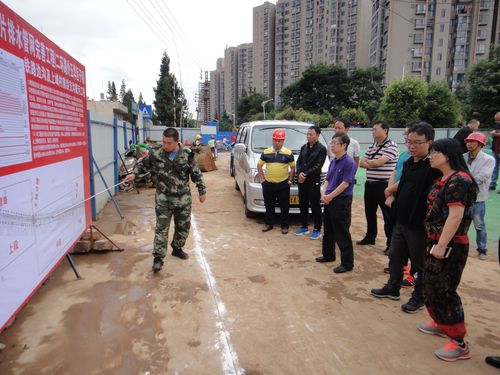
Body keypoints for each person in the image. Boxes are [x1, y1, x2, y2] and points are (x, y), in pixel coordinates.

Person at [371, 122, 441, 313]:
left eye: (416, 142)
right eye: (409, 142)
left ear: (429, 142)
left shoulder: (434, 167)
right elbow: (402, 185)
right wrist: (392, 194)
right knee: (395, 255)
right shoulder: (410, 162)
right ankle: (393, 287)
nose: (411, 146)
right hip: (401, 220)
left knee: (419, 264)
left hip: (418, 225)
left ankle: (419, 297)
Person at [418, 138, 477, 362]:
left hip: (450, 245)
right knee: (430, 286)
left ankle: (459, 342)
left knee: (445, 290)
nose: (431, 156)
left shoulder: (459, 180)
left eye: (436, 152)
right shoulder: (442, 179)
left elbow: (456, 216)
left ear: (448, 155)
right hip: (434, 241)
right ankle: (442, 323)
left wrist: (441, 245)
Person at [124, 127, 206, 272]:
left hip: (183, 199)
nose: (165, 145)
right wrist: (134, 174)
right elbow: (143, 164)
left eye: (168, 143)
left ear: (177, 142)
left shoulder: (187, 154)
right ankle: (158, 258)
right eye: (163, 142)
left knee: (183, 227)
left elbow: (196, 173)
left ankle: (177, 248)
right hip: (163, 198)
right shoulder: (156, 153)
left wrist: (201, 190)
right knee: (161, 228)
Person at [316, 133, 356, 273]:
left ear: (344, 145)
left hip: (341, 200)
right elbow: (327, 180)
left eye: (334, 143)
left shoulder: (349, 163)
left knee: (342, 232)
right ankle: (328, 255)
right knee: (328, 229)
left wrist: (330, 196)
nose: (331, 145)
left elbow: (345, 184)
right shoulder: (333, 160)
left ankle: (347, 263)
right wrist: (323, 193)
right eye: (331, 143)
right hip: (329, 199)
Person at [358, 121, 399, 252]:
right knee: (369, 212)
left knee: (388, 215)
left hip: (384, 185)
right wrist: (372, 163)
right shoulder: (372, 146)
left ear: (385, 130)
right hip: (370, 184)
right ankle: (370, 236)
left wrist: (370, 163)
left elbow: (379, 162)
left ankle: (390, 243)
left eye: (375, 129)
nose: (373, 132)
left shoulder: (392, 146)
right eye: (372, 130)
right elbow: (361, 163)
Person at [258, 128, 295, 234]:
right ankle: (269, 224)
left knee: (284, 206)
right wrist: (262, 180)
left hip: (283, 184)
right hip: (268, 184)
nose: (277, 143)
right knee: (269, 205)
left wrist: (290, 180)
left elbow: (293, 167)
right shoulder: (266, 152)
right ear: (272, 140)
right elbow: (259, 165)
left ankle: (285, 226)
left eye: (279, 140)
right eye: (275, 140)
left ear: (283, 141)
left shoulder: (288, 153)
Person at [463, 132, 495, 260]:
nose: (469, 144)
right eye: (468, 141)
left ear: (481, 144)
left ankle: (482, 249)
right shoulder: (463, 157)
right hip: (463, 197)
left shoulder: (488, 159)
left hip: (478, 198)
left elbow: (482, 177)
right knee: (458, 223)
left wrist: (462, 181)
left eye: (473, 142)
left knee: (479, 225)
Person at [294, 125, 327, 240]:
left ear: (317, 135)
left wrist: (305, 174)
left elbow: (318, 166)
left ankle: (317, 228)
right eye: (307, 134)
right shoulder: (304, 147)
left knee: (315, 205)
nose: (308, 136)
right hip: (302, 181)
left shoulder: (322, 149)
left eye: (311, 134)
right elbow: (298, 162)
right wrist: (299, 173)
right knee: (302, 203)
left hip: (313, 181)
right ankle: (304, 226)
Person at [489, 112, 500, 191]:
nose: (497, 122)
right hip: (496, 149)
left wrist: (495, 133)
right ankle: (492, 184)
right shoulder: (497, 125)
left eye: (498, 120)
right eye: (496, 120)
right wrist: (493, 133)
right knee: (495, 167)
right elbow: (496, 133)